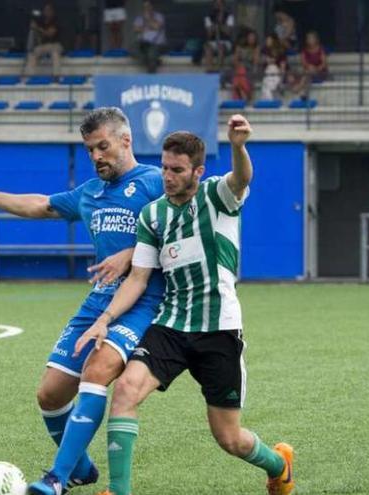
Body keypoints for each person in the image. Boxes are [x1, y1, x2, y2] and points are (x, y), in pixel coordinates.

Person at [75, 116, 295, 495]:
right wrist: (105, 320)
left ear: (198, 170)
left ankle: (278, 464)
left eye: (177, 170)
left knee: (229, 438)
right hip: (171, 325)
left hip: (219, 329)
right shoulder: (152, 215)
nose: (167, 176)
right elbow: (139, 278)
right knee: (126, 389)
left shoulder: (216, 197)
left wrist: (239, 147)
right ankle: (118, 490)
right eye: (163, 168)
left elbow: (241, 179)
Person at [0, 107, 165, 495]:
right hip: (96, 302)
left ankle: (56, 478)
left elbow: (178, 232)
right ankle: (82, 469)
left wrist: (133, 253)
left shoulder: (154, 182)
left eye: (102, 146)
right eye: (89, 150)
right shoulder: (90, 192)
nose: (96, 156)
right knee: (50, 394)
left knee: (97, 370)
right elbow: (41, 204)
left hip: (143, 302)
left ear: (126, 140)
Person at [25, 3, 63, 78]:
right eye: (45, 10)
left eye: (48, 10)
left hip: (55, 45)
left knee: (55, 54)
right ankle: (29, 76)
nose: (47, 12)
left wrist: (37, 28)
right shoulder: (41, 22)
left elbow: (50, 34)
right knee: (32, 54)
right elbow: (39, 38)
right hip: (43, 46)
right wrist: (34, 29)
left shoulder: (56, 21)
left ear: (52, 11)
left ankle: (56, 76)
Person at [132, 1, 166, 73]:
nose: (146, 9)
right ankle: (156, 61)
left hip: (156, 44)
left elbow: (157, 27)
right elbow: (136, 29)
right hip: (143, 43)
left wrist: (148, 19)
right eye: (145, 7)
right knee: (133, 49)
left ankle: (151, 76)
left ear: (152, 7)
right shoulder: (139, 18)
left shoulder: (159, 16)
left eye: (148, 7)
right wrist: (148, 26)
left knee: (151, 54)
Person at [202, 0, 235, 71]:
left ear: (223, 6)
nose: (218, 7)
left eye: (220, 5)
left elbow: (228, 32)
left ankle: (218, 68)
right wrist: (215, 24)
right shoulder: (209, 17)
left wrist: (220, 24)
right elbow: (209, 33)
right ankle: (209, 68)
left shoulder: (229, 16)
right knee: (208, 47)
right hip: (213, 41)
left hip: (225, 41)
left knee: (221, 47)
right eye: (217, 4)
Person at [231, 29, 261, 102]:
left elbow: (256, 61)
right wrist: (239, 65)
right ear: (247, 38)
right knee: (240, 72)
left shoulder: (256, 47)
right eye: (250, 37)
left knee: (241, 73)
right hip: (239, 67)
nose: (252, 39)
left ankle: (240, 95)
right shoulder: (240, 47)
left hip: (250, 67)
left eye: (253, 38)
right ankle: (244, 94)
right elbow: (235, 60)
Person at [260, 34, 287, 100]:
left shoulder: (281, 51)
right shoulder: (264, 51)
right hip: (266, 75)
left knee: (273, 67)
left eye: (269, 40)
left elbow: (282, 67)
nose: (267, 41)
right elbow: (261, 61)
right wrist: (266, 60)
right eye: (267, 40)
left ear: (274, 41)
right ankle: (267, 100)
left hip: (277, 74)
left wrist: (281, 80)